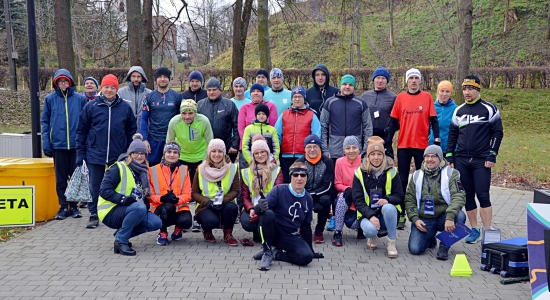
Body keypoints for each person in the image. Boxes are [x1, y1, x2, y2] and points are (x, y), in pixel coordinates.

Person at [446, 75, 503, 244]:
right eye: (464, 89)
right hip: (462, 159)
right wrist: (450, 154)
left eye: (471, 89)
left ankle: (487, 231)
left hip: (482, 160)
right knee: (468, 195)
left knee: (483, 195)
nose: (467, 92)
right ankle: (474, 230)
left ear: (478, 90)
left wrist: (492, 154)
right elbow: (453, 134)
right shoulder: (459, 110)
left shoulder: (489, 108)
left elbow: (498, 133)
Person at [77, 74, 137, 229]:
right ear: (101, 88)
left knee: (115, 185)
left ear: (117, 89)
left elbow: (131, 130)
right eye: (106, 87)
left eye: (112, 87)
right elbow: (81, 131)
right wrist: (81, 155)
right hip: (95, 154)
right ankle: (93, 214)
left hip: (117, 155)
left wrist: (128, 152)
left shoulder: (124, 107)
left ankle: (113, 212)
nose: (109, 90)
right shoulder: (90, 107)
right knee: (94, 186)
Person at [386, 68, 440, 230]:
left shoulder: (427, 97)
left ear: (420, 81)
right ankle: (401, 213)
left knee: (422, 181)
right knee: (402, 181)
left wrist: (436, 141)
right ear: (407, 81)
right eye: (411, 78)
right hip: (403, 145)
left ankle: (422, 213)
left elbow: (434, 120)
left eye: (417, 78)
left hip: (422, 147)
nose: (414, 81)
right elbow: (393, 122)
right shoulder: (400, 98)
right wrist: (388, 142)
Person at [252, 162, 324, 271]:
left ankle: (277, 255)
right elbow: (260, 211)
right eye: (295, 175)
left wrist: (311, 251)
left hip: (290, 235)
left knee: (307, 257)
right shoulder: (279, 190)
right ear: (291, 177)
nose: (299, 178)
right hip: (273, 232)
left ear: (306, 178)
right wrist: (258, 207)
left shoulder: (308, 198)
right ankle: (267, 252)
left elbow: (306, 226)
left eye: (303, 175)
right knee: (268, 214)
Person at [97, 134, 162, 256]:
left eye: (142, 153)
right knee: (139, 208)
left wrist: (146, 202)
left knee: (156, 222)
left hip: (130, 209)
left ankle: (122, 234)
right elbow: (104, 191)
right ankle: (121, 241)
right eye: (135, 153)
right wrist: (123, 200)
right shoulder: (118, 168)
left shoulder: (143, 172)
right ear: (130, 154)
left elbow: (141, 196)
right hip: (110, 211)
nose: (139, 156)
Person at [405, 145, 466, 260]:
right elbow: (409, 199)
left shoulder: (451, 173)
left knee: (460, 216)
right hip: (425, 218)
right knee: (415, 249)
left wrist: (450, 217)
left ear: (440, 158)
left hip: (444, 216)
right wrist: (415, 219)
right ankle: (430, 237)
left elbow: (459, 196)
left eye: (433, 156)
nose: (430, 159)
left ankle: (444, 245)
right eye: (427, 156)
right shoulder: (417, 175)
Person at [41, 69, 87, 220]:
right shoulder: (50, 99)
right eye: (60, 81)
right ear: (56, 83)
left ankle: (73, 207)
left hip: (75, 146)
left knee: (74, 177)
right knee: (60, 179)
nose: (63, 84)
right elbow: (45, 122)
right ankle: (63, 206)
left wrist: (84, 143)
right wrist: (47, 143)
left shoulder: (79, 99)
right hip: (58, 145)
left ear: (70, 82)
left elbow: (86, 122)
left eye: (65, 81)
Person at [352, 136, 404, 258]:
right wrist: (371, 215)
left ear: (384, 155)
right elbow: (358, 200)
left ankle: (391, 243)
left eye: (379, 154)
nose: (376, 158)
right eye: (373, 154)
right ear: (368, 156)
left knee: (389, 208)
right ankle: (372, 237)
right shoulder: (359, 173)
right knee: (370, 230)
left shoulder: (392, 171)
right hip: (366, 214)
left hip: (386, 214)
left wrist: (387, 200)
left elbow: (400, 196)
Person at [191, 139, 240, 245]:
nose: (216, 154)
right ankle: (207, 231)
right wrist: (208, 202)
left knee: (232, 208)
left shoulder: (232, 168)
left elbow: (236, 190)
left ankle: (228, 234)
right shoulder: (201, 168)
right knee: (211, 221)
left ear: (224, 152)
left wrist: (223, 200)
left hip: (224, 203)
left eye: (220, 151)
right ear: (209, 152)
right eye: (213, 151)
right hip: (205, 206)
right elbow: (194, 192)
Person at [148, 142, 192, 245]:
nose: (172, 155)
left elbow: (188, 194)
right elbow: (150, 195)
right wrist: (162, 198)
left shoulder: (184, 170)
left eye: (175, 152)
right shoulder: (152, 170)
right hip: (160, 206)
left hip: (179, 206)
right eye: (169, 152)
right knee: (168, 207)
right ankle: (163, 232)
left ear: (179, 155)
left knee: (187, 221)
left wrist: (177, 199)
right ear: (164, 154)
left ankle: (178, 228)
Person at [320, 74, 373, 162]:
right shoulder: (329, 102)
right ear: (340, 85)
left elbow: (368, 127)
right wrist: (325, 150)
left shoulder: (361, 103)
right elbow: (323, 126)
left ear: (354, 87)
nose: (347, 87)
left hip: (355, 151)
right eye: (345, 84)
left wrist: (365, 150)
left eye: (350, 85)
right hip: (334, 151)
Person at [275, 86, 321, 182]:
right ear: (291, 99)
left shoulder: (311, 115)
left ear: (304, 98)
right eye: (295, 96)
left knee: (301, 181)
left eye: (300, 96)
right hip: (285, 156)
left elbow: (316, 135)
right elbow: (277, 135)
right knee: (287, 182)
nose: (297, 99)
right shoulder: (284, 114)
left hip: (303, 156)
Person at [240, 140, 283, 243]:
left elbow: (278, 195)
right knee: (247, 222)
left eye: (262, 152)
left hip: (271, 207)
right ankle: (257, 231)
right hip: (253, 206)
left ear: (268, 153)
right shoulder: (246, 172)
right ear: (253, 155)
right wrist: (251, 209)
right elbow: (244, 196)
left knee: (269, 217)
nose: (260, 155)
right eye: (256, 153)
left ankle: (269, 231)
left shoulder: (277, 170)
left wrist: (261, 211)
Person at [295, 134, 334, 244]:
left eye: (315, 146)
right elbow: (296, 186)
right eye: (309, 147)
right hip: (304, 194)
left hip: (320, 193)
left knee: (326, 200)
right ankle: (302, 228)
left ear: (320, 147)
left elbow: (328, 186)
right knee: (297, 199)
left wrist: (312, 197)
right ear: (304, 148)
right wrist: (309, 199)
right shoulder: (299, 163)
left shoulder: (328, 162)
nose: (312, 150)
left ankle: (319, 230)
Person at [140, 67, 183, 166]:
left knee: (170, 169)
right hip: (153, 141)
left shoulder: (177, 96)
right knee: (153, 171)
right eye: (159, 77)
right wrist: (145, 140)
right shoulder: (148, 97)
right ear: (156, 79)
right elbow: (143, 119)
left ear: (169, 79)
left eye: (165, 77)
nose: (162, 79)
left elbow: (181, 120)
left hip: (171, 140)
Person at [166, 100, 213, 182]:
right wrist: (170, 159)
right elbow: (169, 142)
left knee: (196, 185)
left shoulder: (204, 121)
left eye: (190, 113)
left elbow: (210, 142)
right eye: (184, 113)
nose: (187, 117)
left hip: (200, 157)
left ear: (195, 113)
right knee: (182, 184)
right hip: (181, 157)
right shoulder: (174, 121)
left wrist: (206, 160)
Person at [331, 136, 364, 246]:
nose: (351, 151)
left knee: (352, 224)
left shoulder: (364, 161)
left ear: (359, 149)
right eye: (348, 148)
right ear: (344, 150)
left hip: (361, 198)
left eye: (354, 147)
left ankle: (361, 228)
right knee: (341, 198)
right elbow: (337, 183)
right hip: (346, 197)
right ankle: (338, 232)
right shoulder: (339, 162)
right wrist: (347, 188)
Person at [197, 77, 240, 163]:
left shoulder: (229, 104)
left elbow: (237, 125)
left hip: (226, 146)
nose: (211, 92)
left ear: (219, 90)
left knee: (226, 173)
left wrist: (235, 145)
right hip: (205, 147)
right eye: (209, 90)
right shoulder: (200, 105)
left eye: (214, 90)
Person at [360, 66, 397, 158]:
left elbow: (398, 119)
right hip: (367, 137)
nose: (380, 80)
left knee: (386, 162)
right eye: (378, 78)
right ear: (373, 79)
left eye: (383, 78)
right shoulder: (365, 96)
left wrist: (388, 130)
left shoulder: (393, 97)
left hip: (385, 138)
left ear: (387, 81)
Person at [118, 66, 151, 132]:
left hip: (144, 132)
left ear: (142, 78)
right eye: (133, 76)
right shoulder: (120, 93)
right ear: (129, 77)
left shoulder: (149, 93)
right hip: (126, 131)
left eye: (138, 76)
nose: (136, 79)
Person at [428, 80, 457, 155]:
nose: (444, 94)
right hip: (432, 146)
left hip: (449, 148)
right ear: (438, 92)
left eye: (447, 91)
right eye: (442, 91)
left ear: (451, 93)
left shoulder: (456, 109)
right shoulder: (431, 107)